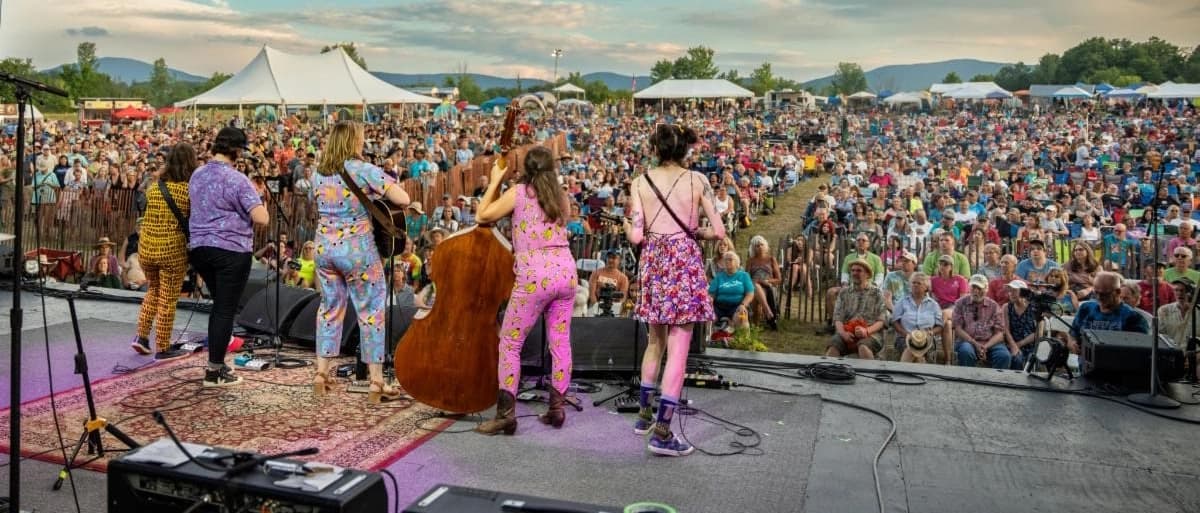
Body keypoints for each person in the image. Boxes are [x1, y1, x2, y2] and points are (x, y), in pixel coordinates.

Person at [623, 123, 725, 457]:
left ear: (656, 149)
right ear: (684, 149)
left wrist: (627, 225)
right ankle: (663, 433)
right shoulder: (698, 180)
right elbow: (719, 231)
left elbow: (636, 236)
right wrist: (696, 233)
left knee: (655, 341)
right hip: (684, 262)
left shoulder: (640, 182)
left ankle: (644, 417)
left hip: (653, 261)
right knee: (678, 349)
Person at [474, 146, 578, 436]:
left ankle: (506, 415)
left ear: (526, 169)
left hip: (535, 276)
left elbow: (482, 215)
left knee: (510, 343)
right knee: (560, 342)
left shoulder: (520, 193)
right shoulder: (561, 196)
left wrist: (496, 179)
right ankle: (557, 409)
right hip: (566, 273)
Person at [310, 121, 410, 403]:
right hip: (357, 251)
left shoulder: (318, 173)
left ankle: (321, 374)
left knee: (329, 308)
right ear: (354, 141)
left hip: (324, 248)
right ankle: (376, 382)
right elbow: (403, 198)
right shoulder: (364, 170)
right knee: (371, 311)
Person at [188, 126, 270, 387]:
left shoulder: (197, 174)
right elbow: (262, 218)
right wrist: (261, 200)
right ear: (237, 150)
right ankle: (214, 371)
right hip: (230, 250)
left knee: (219, 307)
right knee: (225, 309)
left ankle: (217, 364)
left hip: (200, 249)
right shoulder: (238, 180)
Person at [132, 143, 196, 360]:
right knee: (168, 298)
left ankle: (141, 337)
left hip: (147, 248)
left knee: (153, 290)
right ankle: (163, 346)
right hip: (171, 251)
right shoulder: (188, 191)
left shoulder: (155, 187)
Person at [1069, 272, 1150, 354]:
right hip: (1086, 360)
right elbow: (1072, 334)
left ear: (1118, 292)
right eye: (1096, 293)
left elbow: (1141, 351)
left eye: (1105, 294)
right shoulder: (1085, 309)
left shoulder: (1133, 318)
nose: (1099, 297)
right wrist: (1072, 343)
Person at [827, 259, 888, 360]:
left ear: (867, 274)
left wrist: (866, 331)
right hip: (847, 332)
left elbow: (882, 321)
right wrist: (843, 333)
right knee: (833, 346)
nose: (855, 273)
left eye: (859, 270)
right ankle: (829, 369)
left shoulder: (877, 293)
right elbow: (837, 318)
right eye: (853, 270)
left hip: (871, 333)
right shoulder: (844, 293)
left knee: (863, 347)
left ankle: (871, 370)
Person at [952, 275, 1009, 368]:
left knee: (1004, 356)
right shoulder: (960, 303)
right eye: (973, 287)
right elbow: (958, 329)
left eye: (979, 288)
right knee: (966, 351)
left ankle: (995, 377)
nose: (976, 291)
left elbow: (1000, 333)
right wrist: (975, 344)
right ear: (969, 288)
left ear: (986, 289)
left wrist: (985, 347)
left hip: (990, 342)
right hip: (967, 341)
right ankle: (967, 377)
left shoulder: (994, 306)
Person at [891, 272, 945, 363]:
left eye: (919, 283)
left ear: (926, 287)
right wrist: (906, 334)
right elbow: (895, 321)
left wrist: (931, 332)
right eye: (913, 283)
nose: (915, 285)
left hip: (926, 339)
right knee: (912, 350)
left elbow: (940, 325)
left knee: (915, 354)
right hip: (905, 338)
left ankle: (902, 369)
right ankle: (921, 366)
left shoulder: (933, 305)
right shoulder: (903, 302)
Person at [709, 251, 755, 330]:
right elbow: (711, 294)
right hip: (719, 306)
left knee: (741, 317)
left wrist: (743, 305)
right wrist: (709, 304)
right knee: (708, 317)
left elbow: (750, 294)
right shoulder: (718, 277)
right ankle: (715, 333)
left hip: (737, 306)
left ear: (737, 262)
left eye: (730, 259)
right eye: (726, 260)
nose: (727, 261)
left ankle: (738, 333)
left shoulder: (744, 276)